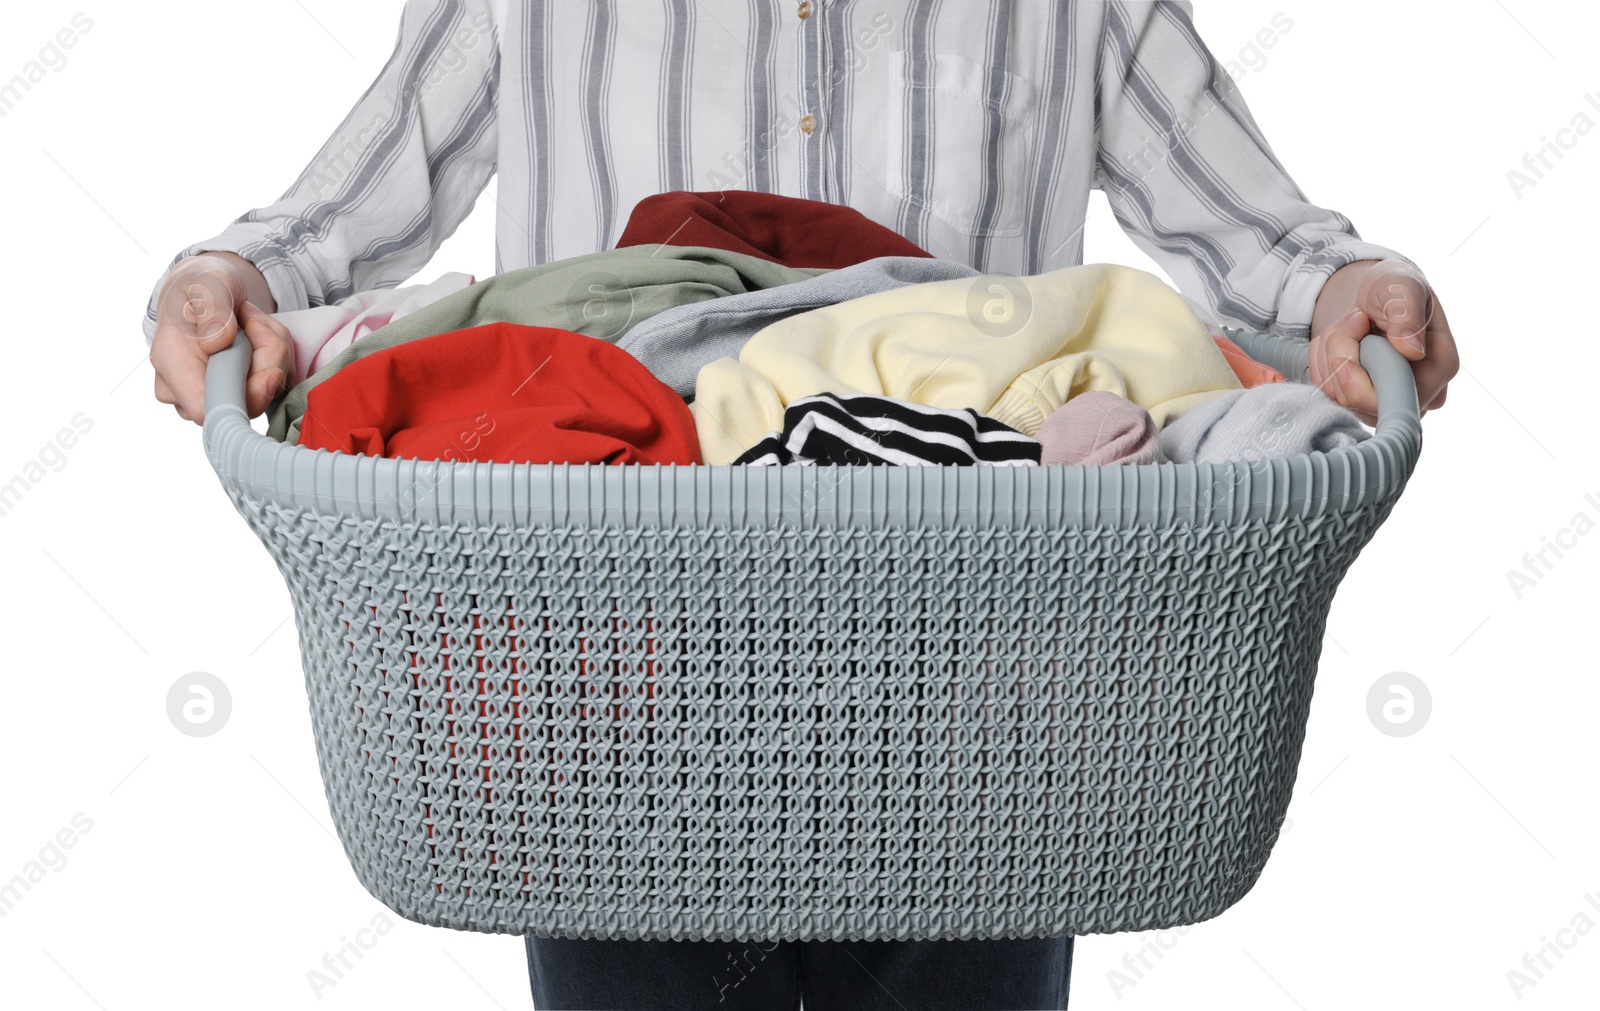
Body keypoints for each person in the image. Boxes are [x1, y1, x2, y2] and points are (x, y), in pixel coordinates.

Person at [144, 3, 1458, 1007]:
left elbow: (1250, 233)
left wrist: (1353, 285)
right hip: (617, 699)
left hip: (976, 707)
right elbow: (353, 199)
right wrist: (228, 274)